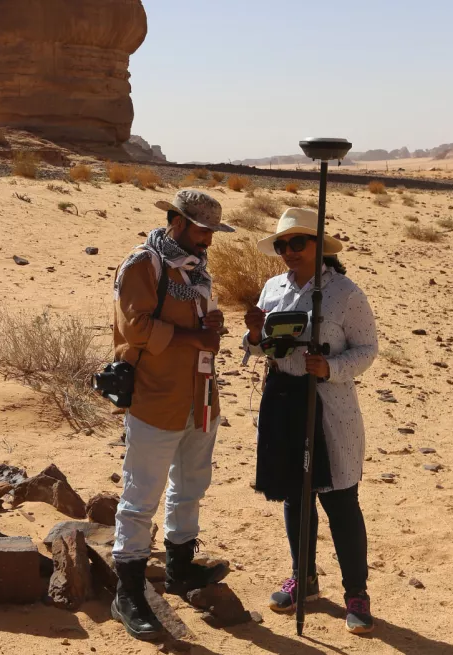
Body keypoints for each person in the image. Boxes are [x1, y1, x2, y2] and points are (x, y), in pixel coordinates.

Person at [242, 207, 379, 635]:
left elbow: (367, 349)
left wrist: (330, 367)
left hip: (329, 406)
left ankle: (356, 592)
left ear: (319, 245)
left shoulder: (346, 293)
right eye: (282, 245)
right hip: (283, 401)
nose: (288, 252)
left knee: (339, 499)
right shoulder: (272, 288)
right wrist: (253, 335)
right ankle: (305, 578)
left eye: (297, 243)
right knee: (294, 496)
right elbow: (261, 348)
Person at [110, 189, 235, 641]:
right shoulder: (143, 265)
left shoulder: (196, 270)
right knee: (141, 496)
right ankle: (128, 592)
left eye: (212, 233)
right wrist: (193, 339)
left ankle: (181, 569)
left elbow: (204, 320)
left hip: (200, 398)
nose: (208, 240)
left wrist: (213, 327)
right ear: (177, 222)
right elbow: (135, 327)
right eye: (203, 230)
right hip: (155, 398)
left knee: (192, 485)